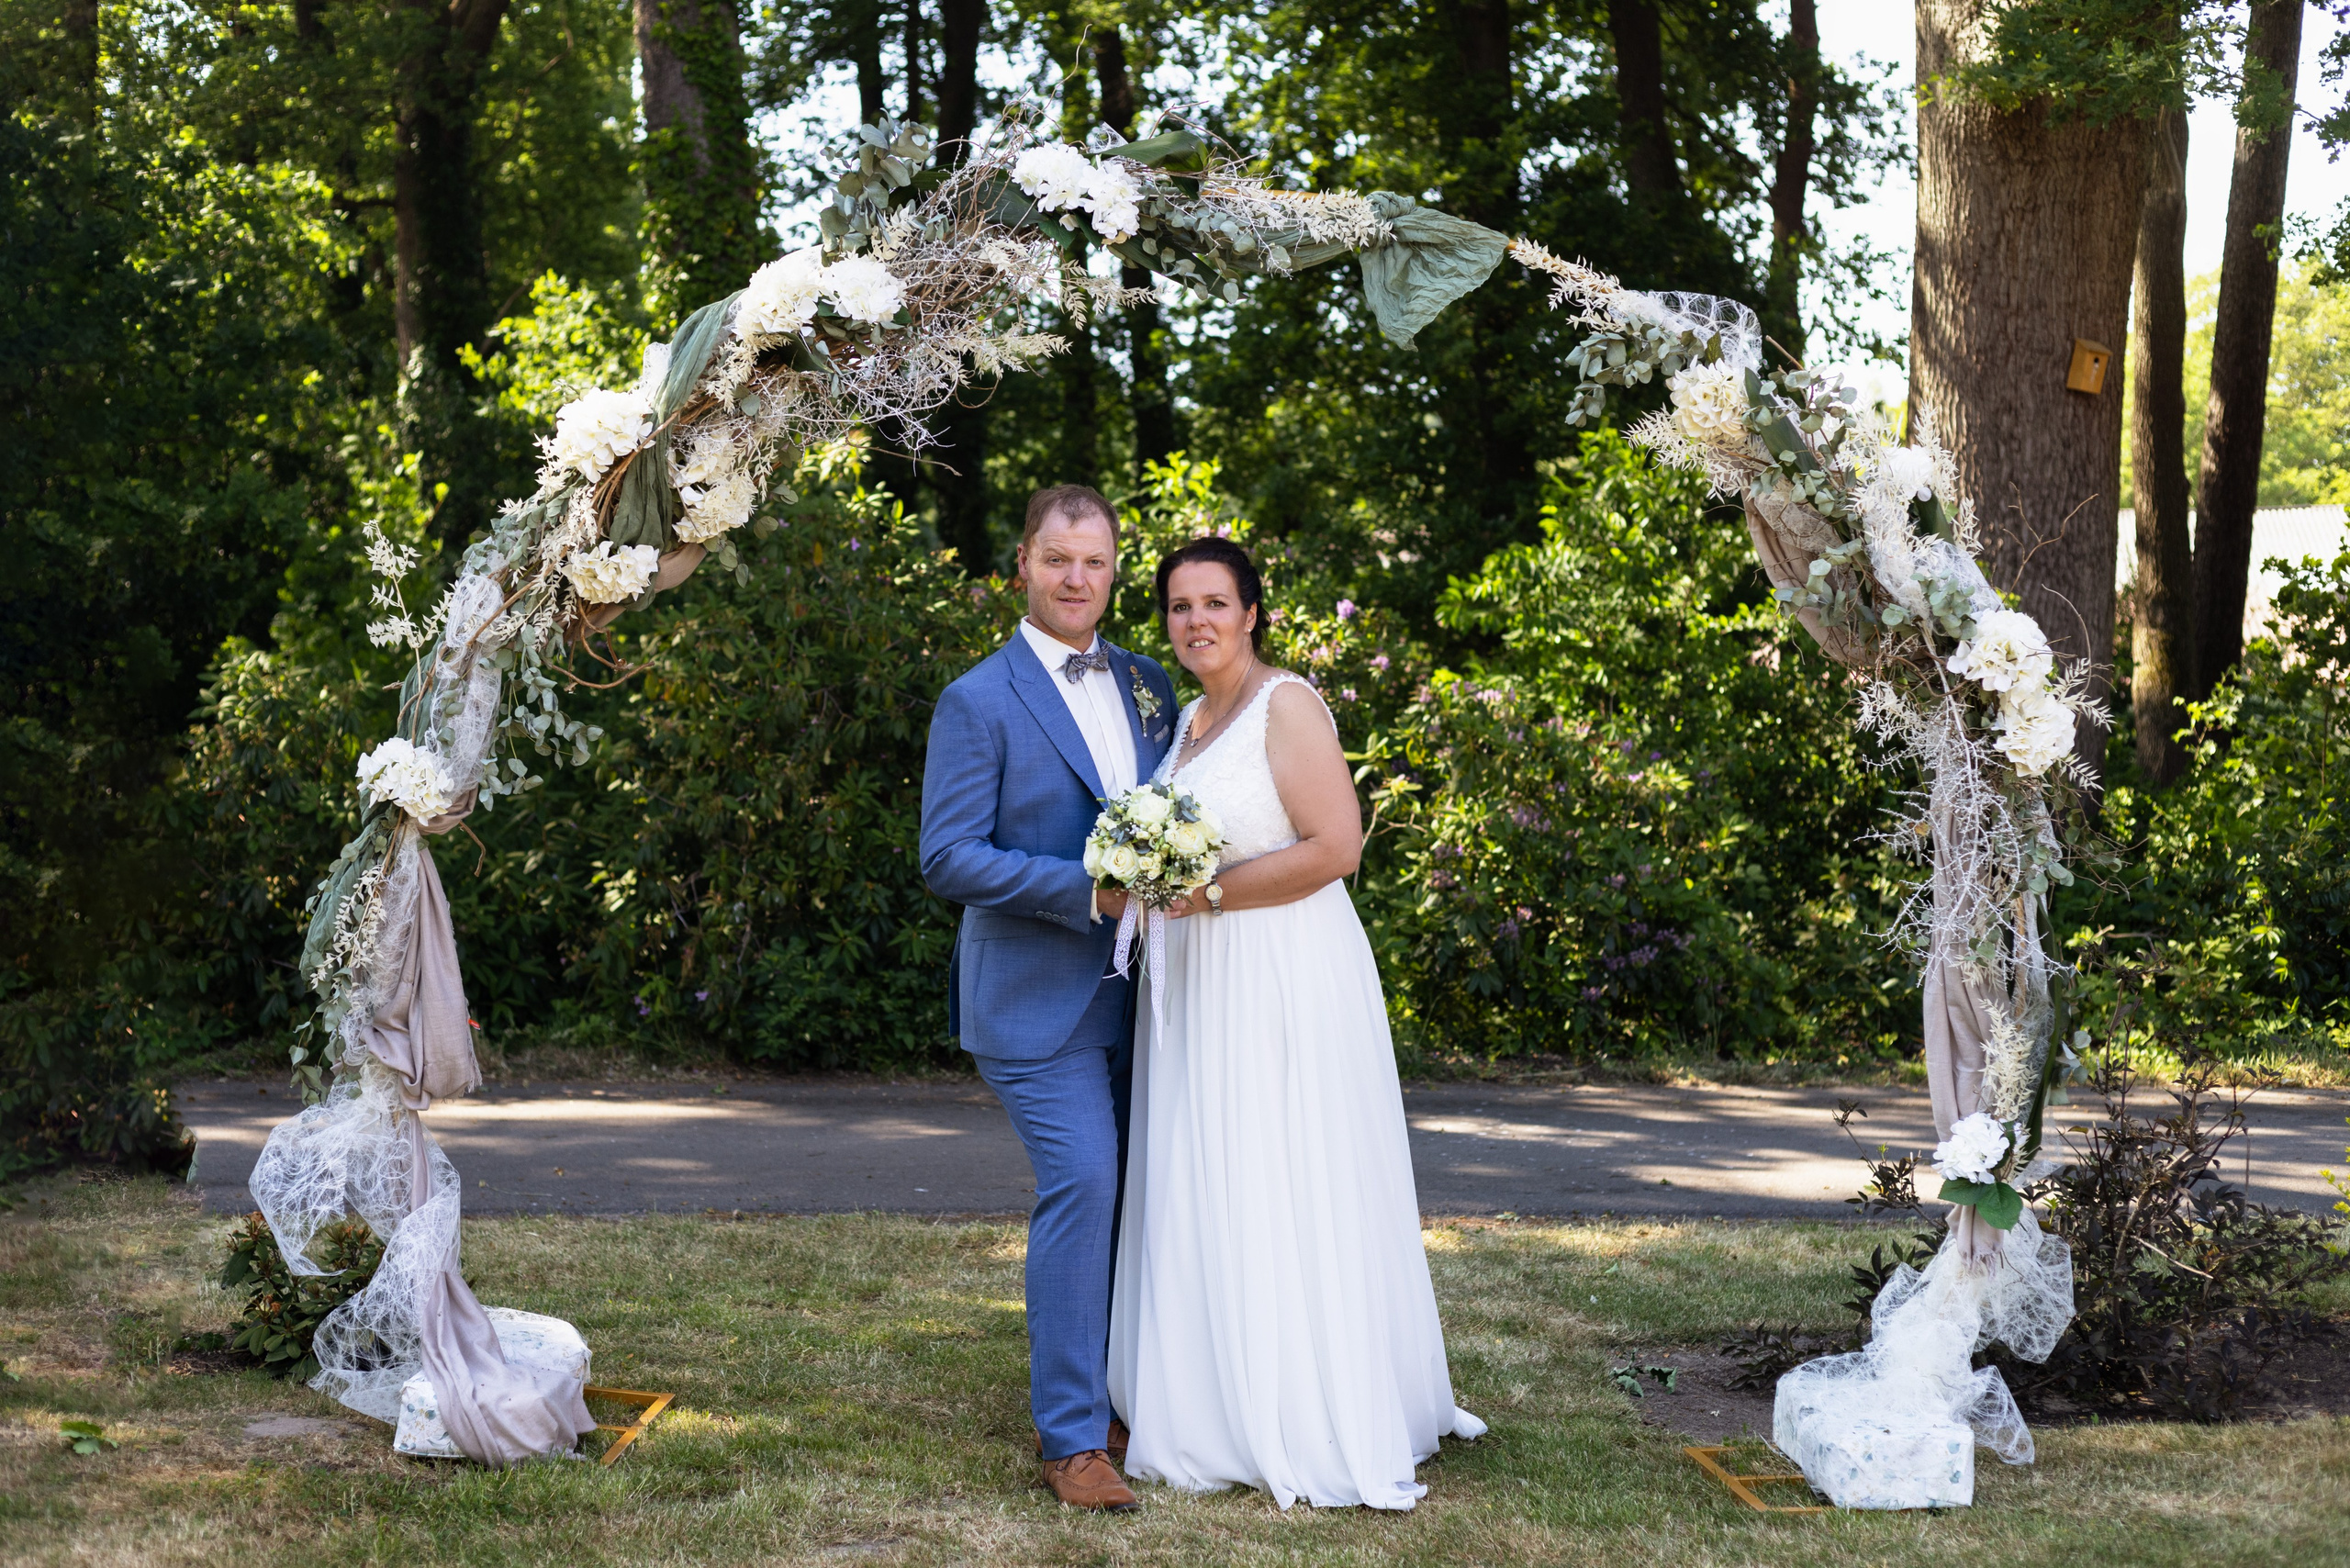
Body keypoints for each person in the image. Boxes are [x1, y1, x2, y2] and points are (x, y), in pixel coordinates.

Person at [1107, 536, 1484, 1510]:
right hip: (1199, 980)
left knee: (1281, 1166)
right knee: (1209, 1167)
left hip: (1279, 972)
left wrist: (1209, 893)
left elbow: (1337, 848)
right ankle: (1208, 1395)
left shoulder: (1288, 704)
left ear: (1252, 613)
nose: (1197, 622)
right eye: (1180, 606)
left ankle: (1306, 1403)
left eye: (1215, 603)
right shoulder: (1189, 718)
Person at [917, 485, 1179, 1512]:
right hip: (1034, 996)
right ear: (1022, 564)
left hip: (1155, 993)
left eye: (1097, 563)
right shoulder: (977, 698)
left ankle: (1123, 1393)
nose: (1078, 580)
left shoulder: (1153, 684)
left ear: (1115, 571)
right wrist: (1086, 889)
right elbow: (948, 856)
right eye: (1059, 560)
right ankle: (1071, 1437)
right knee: (1084, 1184)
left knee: (1150, 1193)